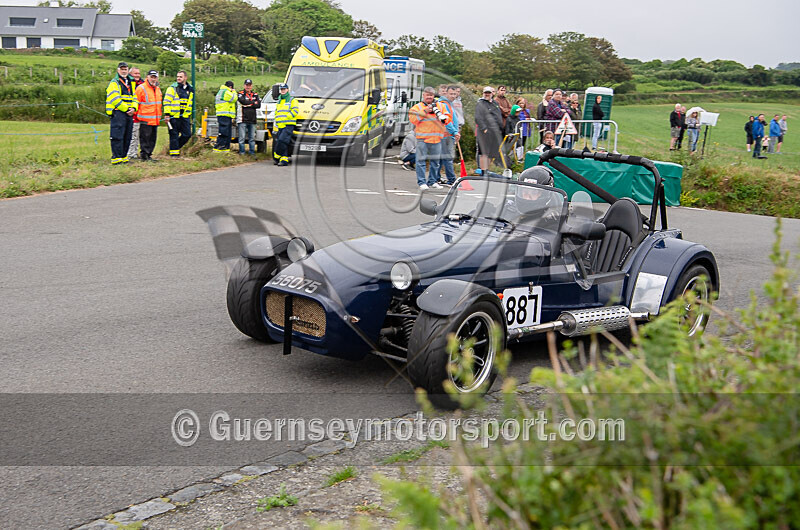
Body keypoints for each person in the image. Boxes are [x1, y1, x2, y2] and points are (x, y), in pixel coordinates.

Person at [409, 86, 451, 190]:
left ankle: (432, 181)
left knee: (435, 162)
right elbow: (413, 119)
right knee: (421, 161)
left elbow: (448, 118)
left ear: (434, 96)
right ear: (423, 95)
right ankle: (422, 182)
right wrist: (425, 111)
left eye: (431, 95)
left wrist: (442, 117)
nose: (429, 97)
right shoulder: (417, 107)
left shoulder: (441, 106)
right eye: (427, 95)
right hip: (422, 139)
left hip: (436, 138)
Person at [105, 61, 137, 165]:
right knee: (117, 136)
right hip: (118, 112)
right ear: (118, 70)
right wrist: (127, 109)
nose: (124, 71)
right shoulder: (114, 82)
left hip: (128, 113)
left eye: (125, 69)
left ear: (128, 70)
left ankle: (124, 157)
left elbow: (135, 97)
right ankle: (116, 158)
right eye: (122, 69)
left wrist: (133, 108)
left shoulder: (131, 82)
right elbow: (115, 99)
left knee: (127, 136)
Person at [163, 70, 193, 157]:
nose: (178, 78)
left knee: (187, 134)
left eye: (180, 77)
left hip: (185, 116)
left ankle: (175, 148)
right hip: (174, 116)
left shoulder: (190, 89)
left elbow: (190, 103)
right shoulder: (172, 88)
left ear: (185, 78)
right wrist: (167, 114)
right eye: (177, 77)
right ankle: (174, 155)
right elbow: (167, 102)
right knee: (174, 135)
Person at [134, 70, 162, 161]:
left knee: (152, 139)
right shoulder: (141, 88)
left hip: (155, 119)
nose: (153, 79)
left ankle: (149, 155)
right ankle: (144, 156)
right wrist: (135, 115)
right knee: (145, 138)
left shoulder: (157, 89)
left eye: (155, 77)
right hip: (145, 119)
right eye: (152, 77)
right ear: (147, 77)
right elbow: (135, 102)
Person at [474, 86, 503, 173]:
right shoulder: (480, 104)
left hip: (495, 131)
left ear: (492, 94)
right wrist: (484, 129)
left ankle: (487, 169)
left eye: (489, 93)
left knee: (492, 152)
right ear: (483, 93)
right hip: (485, 132)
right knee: (484, 152)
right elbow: (478, 117)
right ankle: (483, 170)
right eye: (485, 93)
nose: (487, 94)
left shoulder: (495, 103)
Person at [437, 86, 460, 185]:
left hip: (449, 134)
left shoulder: (450, 104)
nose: (453, 96)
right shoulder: (444, 104)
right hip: (446, 134)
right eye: (451, 94)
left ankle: (436, 177)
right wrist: (454, 132)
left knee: (442, 158)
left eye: (455, 94)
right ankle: (451, 179)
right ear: (446, 93)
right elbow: (447, 121)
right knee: (448, 157)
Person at [272, 83, 297, 166]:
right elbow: (277, 111)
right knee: (284, 142)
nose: (283, 91)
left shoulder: (292, 100)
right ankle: (284, 160)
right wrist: (277, 119)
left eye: (284, 89)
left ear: (287, 90)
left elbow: (295, 111)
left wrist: (286, 117)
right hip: (280, 125)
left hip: (288, 124)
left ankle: (277, 155)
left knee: (282, 140)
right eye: (281, 89)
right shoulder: (279, 100)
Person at [126, 67, 145, 160]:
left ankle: (134, 153)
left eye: (138, 73)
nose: (137, 75)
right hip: (132, 114)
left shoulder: (142, 84)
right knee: (133, 135)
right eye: (135, 73)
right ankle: (130, 154)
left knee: (138, 136)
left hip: (141, 114)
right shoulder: (129, 83)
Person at [238, 79, 261, 156]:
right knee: (242, 138)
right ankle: (242, 153)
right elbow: (242, 101)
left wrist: (248, 104)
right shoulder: (240, 94)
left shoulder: (255, 94)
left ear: (251, 86)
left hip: (253, 119)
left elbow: (258, 105)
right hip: (243, 119)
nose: (248, 87)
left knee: (252, 138)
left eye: (249, 85)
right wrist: (253, 103)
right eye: (247, 85)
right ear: (244, 86)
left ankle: (252, 153)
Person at [213, 81, 237, 152]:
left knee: (226, 133)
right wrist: (234, 92)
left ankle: (225, 149)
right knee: (224, 132)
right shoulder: (225, 92)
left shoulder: (223, 91)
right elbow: (234, 98)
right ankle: (219, 148)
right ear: (231, 87)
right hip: (224, 115)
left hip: (225, 115)